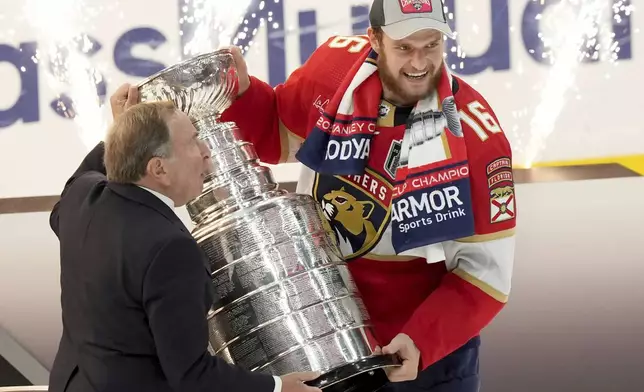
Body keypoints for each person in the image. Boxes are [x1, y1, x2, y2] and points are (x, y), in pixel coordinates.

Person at [217, 1, 518, 390]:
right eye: (405, 47)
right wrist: (242, 93)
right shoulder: (334, 72)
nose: (419, 63)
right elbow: (279, 133)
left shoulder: (477, 139)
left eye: (431, 45)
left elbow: (484, 277)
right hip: (323, 337)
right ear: (374, 38)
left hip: (421, 357)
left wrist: (422, 341)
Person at [48, 94, 322, 392]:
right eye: (193, 142)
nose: (206, 153)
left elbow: (73, 191)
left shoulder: (82, 199)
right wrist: (278, 387)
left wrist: (123, 132)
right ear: (158, 169)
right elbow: (192, 375)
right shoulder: (169, 249)